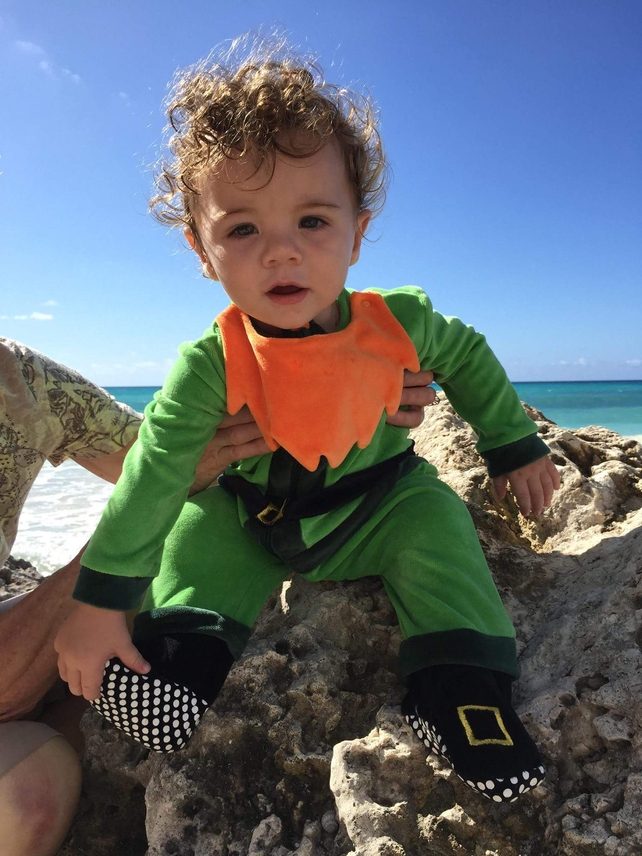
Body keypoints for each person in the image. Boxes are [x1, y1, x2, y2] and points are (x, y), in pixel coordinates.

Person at [54, 39, 560, 807]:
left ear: (358, 233)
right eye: (243, 230)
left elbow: (469, 356)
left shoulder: (400, 324)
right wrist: (98, 602)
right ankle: (178, 659)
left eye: (313, 220)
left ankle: (462, 690)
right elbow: (156, 470)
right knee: (198, 528)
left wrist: (510, 445)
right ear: (202, 250)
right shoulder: (210, 362)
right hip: (251, 515)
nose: (281, 251)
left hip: (376, 504)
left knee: (438, 526)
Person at [0, 338, 433, 856]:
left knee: (40, 784)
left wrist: (333, 389)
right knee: (27, 795)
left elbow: (169, 454)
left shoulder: (18, 377)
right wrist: (104, 569)